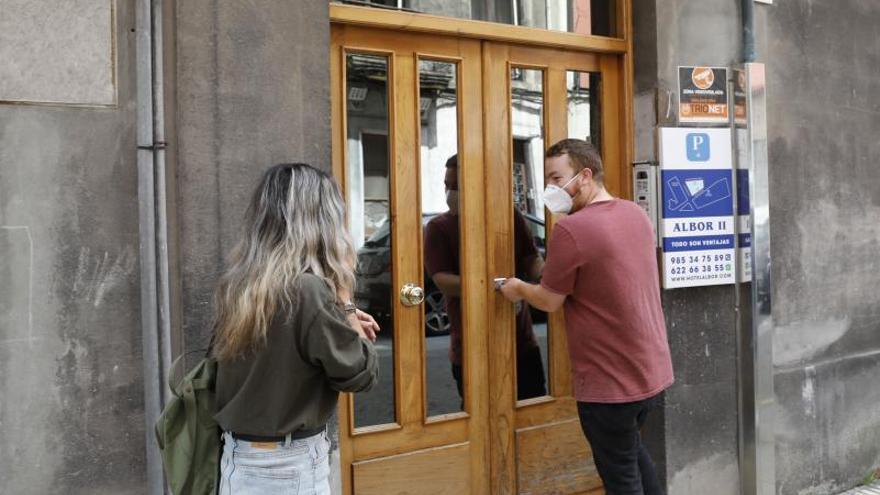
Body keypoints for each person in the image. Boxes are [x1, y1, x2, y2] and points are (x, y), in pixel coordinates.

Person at [498, 140, 674, 495]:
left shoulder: (571, 229)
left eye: (556, 177)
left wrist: (517, 288)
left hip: (610, 383)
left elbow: (549, 300)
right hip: (651, 372)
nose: (551, 188)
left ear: (585, 175)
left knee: (621, 478)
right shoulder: (634, 214)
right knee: (634, 457)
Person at [211, 163, 380, 495]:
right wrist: (344, 301)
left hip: (238, 459)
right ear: (322, 221)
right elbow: (361, 374)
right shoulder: (309, 291)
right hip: (287, 466)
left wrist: (335, 318)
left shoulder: (242, 283)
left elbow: (280, 349)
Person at [425, 154, 546, 403]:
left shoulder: (507, 215)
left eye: (456, 186)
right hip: (471, 346)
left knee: (531, 409)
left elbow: (530, 258)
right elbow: (442, 279)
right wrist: (493, 287)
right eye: (447, 185)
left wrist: (546, 275)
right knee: (479, 415)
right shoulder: (439, 227)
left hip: (520, 343)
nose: (450, 192)